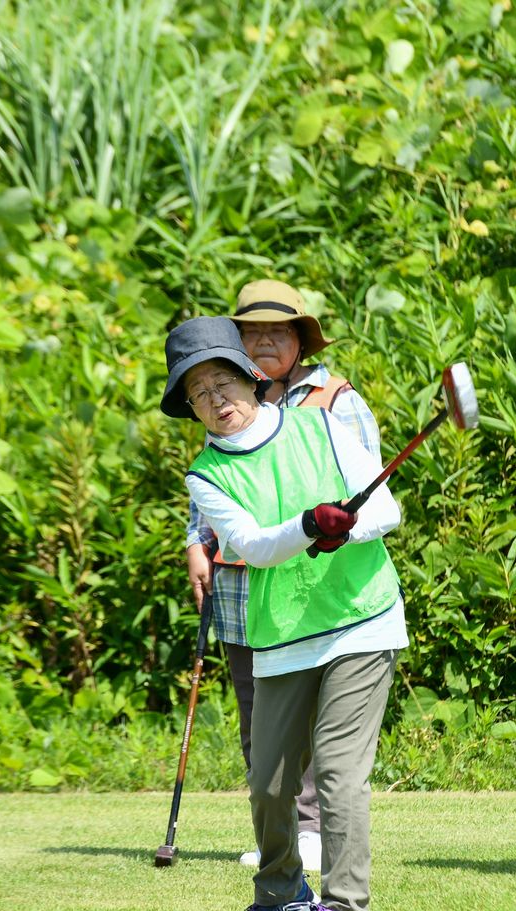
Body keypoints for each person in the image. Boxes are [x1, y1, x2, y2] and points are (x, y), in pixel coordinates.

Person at [161, 316, 406, 911]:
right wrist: (307, 525)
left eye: (223, 382)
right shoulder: (204, 475)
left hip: (360, 617)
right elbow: (250, 544)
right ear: (190, 408)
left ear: (250, 378)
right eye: (198, 392)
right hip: (281, 632)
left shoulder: (323, 425)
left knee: (337, 771)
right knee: (269, 778)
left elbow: (384, 506)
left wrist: (345, 527)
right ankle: (279, 896)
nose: (217, 401)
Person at [185, 281, 382, 873]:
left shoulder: (333, 399)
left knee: (325, 713)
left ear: (300, 339)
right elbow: (215, 489)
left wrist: (339, 527)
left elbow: (369, 488)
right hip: (248, 577)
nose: (266, 340)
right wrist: (196, 542)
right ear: (238, 345)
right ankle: (281, 830)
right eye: (253, 331)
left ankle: (315, 827)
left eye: (279, 330)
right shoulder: (222, 396)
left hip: (327, 580)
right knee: (259, 711)